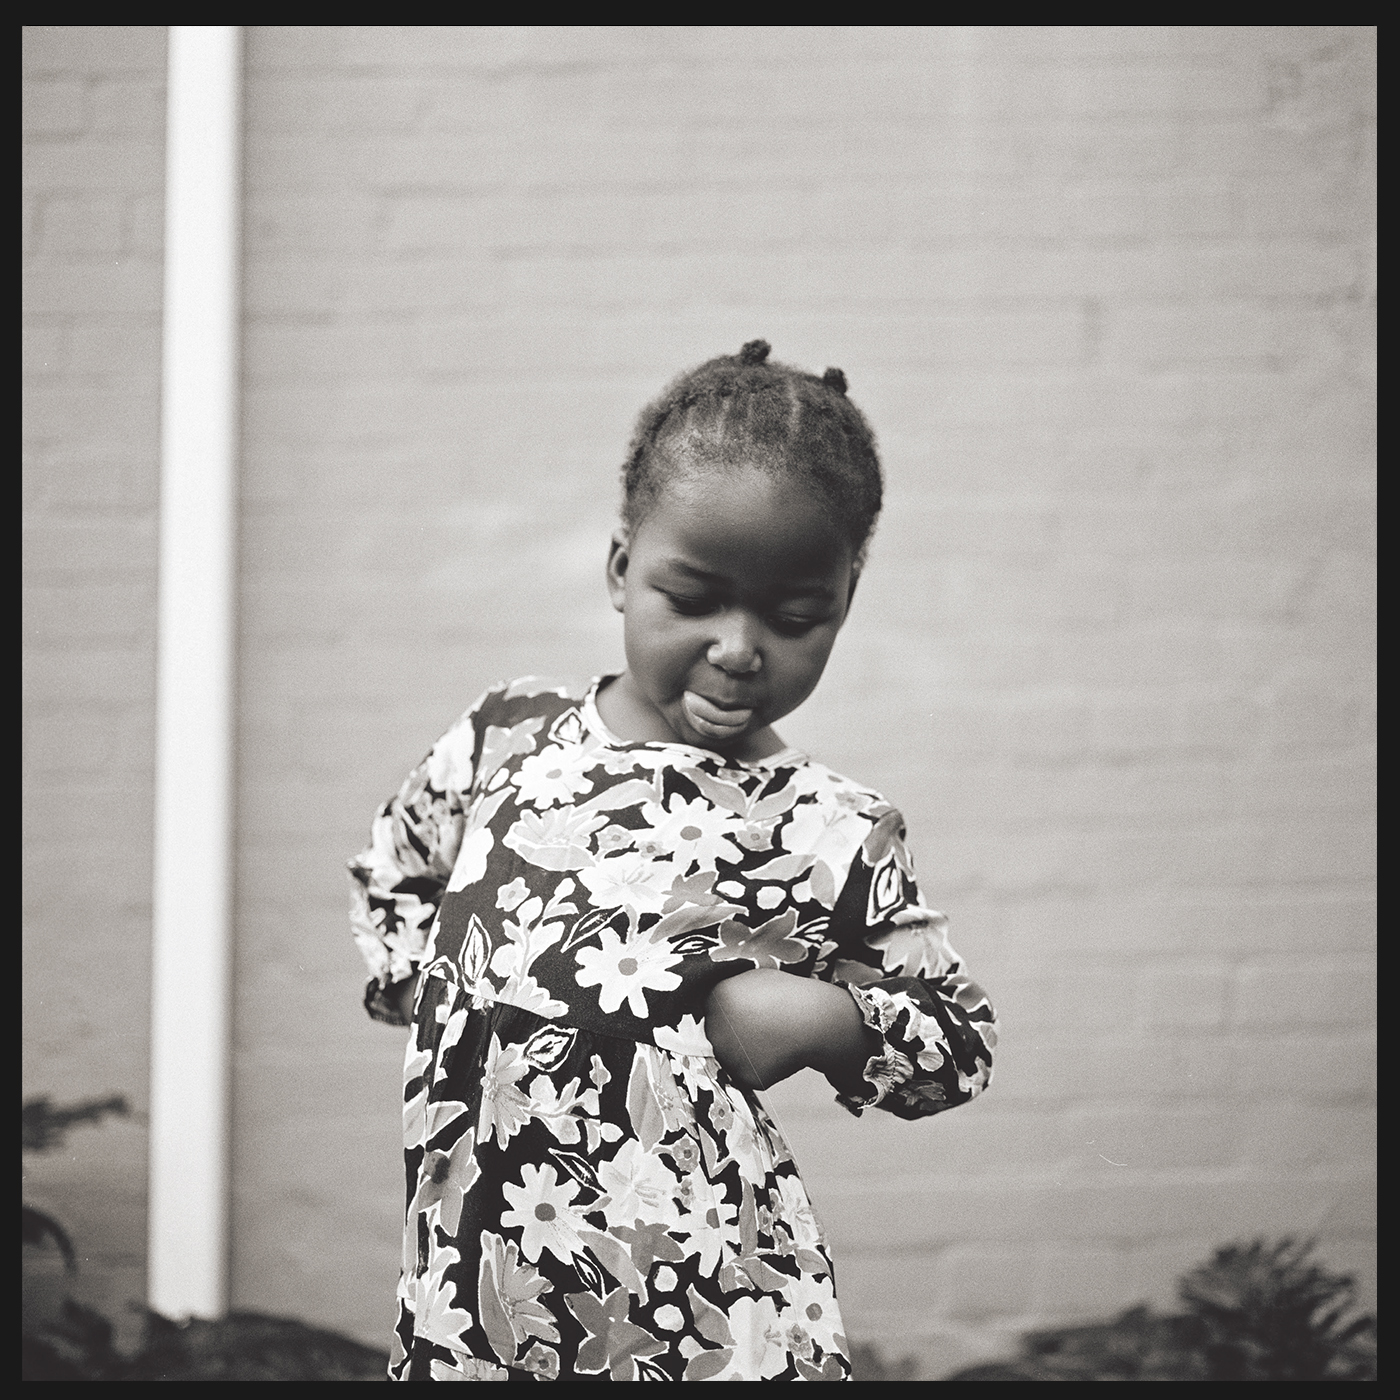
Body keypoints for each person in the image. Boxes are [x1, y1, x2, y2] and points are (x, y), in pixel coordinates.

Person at [349, 340, 998, 1382]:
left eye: (794, 617)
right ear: (620, 568)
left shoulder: (828, 828)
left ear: (844, 597)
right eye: (692, 598)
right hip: (471, 1309)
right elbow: (396, 864)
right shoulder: (508, 735)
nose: (738, 647)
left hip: (707, 1329)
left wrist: (824, 1018)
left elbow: (958, 1038)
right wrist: (451, 995)